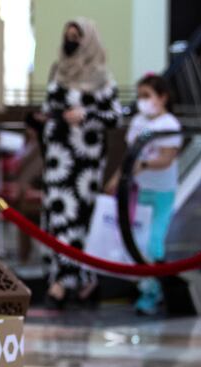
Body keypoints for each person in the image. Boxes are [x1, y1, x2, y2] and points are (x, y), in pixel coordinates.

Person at [40, 18, 121, 307]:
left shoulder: (102, 76)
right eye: (67, 35)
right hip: (58, 156)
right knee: (58, 216)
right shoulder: (58, 70)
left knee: (80, 218)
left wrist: (86, 115)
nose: (71, 40)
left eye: (77, 36)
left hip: (86, 160)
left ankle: (71, 282)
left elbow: (115, 117)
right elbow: (48, 107)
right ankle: (65, 280)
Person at [108, 74, 183, 315]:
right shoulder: (139, 121)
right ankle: (144, 288)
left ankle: (155, 291)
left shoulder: (170, 124)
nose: (143, 101)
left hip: (162, 193)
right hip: (139, 192)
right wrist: (117, 178)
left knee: (155, 243)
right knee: (137, 242)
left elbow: (167, 157)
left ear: (162, 98)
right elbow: (130, 155)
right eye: (140, 96)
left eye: (148, 96)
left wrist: (144, 165)